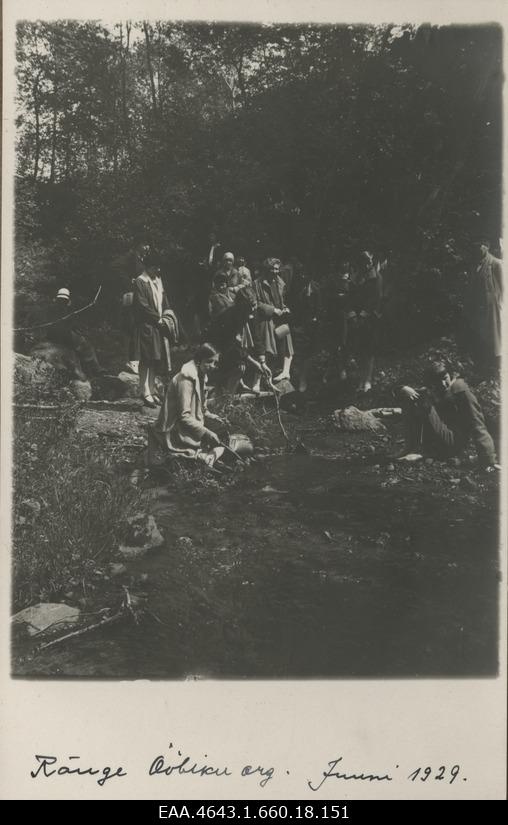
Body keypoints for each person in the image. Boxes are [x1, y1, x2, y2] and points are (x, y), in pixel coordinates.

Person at [397, 360, 499, 470]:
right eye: (437, 381)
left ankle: (416, 449)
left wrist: (489, 460)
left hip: (454, 441)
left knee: (422, 399)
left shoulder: (462, 392)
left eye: (445, 378)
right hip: (440, 436)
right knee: (413, 395)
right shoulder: (436, 389)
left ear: (450, 375)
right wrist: (402, 388)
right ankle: (410, 447)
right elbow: (414, 393)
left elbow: (478, 425)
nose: (443, 384)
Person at [148, 343, 227, 467]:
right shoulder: (186, 379)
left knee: (225, 436)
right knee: (202, 454)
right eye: (209, 361)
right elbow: (183, 416)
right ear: (199, 360)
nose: (212, 366)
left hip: (187, 426)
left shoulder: (201, 377)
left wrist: (214, 418)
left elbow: (203, 410)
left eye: (215, 363)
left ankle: (206, 456)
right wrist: (207, 433)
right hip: (173, 428)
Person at [206, 287, 272, 394]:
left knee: (243, 360)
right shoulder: (228, 317)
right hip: (218, 349)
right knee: (239, 366)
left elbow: (256, 337)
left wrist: (262, 362)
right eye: (250, 306)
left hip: (234, 347)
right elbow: (230, 345)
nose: (253, 309)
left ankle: (238, 385)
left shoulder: (251, 312)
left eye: (254, 305)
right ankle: (227, 397)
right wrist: (253, 362)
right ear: (241, 306)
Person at [132, 251, 171, 407]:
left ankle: (152, 390)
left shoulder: (158, 280)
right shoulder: (140, 281)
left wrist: (168, 314)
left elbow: (164, 299)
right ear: (148, 267)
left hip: (158, 324)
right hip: (146, 324)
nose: (157, 271)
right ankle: (144, 390)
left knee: (155, 358)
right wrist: (157, 318)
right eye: (154, 268)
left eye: (158, 268)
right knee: (146, 358)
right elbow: (142, 305)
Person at [113, 237, 152, 375]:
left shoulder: (142, 258)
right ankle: (131, 360)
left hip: (140, 297)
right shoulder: (130, 256)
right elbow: (116, 266)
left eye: (148, 244)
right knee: (131, 326)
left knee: (139, 327)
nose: (147, 247)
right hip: (131, 296)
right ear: (138, 244)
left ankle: (136, 359)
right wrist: (129, 281)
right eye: (145, 243)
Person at [47, 287, 105, 379]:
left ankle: (91, 368)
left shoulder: (50, 309)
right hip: (64, 337)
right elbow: (71, 325)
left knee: (80, 340)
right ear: (67, 300)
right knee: (86, 345)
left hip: (50, 336)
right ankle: (96, 368)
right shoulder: (67, 310)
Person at [252, 257, 294, 383]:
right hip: (266, 319)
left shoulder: (280, 282)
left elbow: (282, 301)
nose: (275, 272)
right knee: (268, 348)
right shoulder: (257, 284)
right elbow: (255, 303)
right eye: (272, 269)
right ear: (266, 270)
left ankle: (286, 372)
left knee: (287, 343)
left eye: (277, 269)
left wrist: (285, 308)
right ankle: (262, 378)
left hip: (280, 318)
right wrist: (272, 310)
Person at [465, 238, 503, 370]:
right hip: (479, 305)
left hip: (494, 305)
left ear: (487, 247)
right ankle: (486, 362)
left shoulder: (496, 263)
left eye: (480, 246)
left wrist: (501, 304)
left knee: (496, 333)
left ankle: (497, 363)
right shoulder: (476, 264)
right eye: (475, 246)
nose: (477, 249)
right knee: (483, 333)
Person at [355, 250, 383, 393]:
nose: (367, 265)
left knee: (369, 351)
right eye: (365, 262)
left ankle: (368, 380)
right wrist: (354, 312)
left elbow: (376, 298)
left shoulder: (376, 277)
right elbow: (354, 295)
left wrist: (365, 313)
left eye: (369, 262)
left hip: (371, 318)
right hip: (359, 317)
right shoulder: (359, 277)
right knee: (360, 351)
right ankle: (361, 379)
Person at [291, 269, 322, 393]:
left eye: (306, 274)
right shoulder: (297, 288)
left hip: (311, 326)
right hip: (299, 324)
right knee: (299, 353)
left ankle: (304, 379)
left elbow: (319, 307)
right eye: (302, 274)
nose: (304, 276)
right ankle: (298, 378)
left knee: (308, 353)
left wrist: (315, 318)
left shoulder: (315, 288)